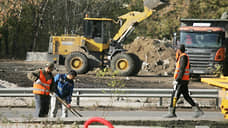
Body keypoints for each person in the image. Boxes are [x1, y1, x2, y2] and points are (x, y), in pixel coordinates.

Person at [164, 44, 204, 118]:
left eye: (177, 50)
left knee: (174, 96)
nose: (176, 51)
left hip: (181, 81)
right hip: (183, 80)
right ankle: (197, 111)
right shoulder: (183, 57)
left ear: (179, 50)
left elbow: (182, 70)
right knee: (186, 96)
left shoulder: (183, 57)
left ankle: (171, 112)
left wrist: (177, 80)